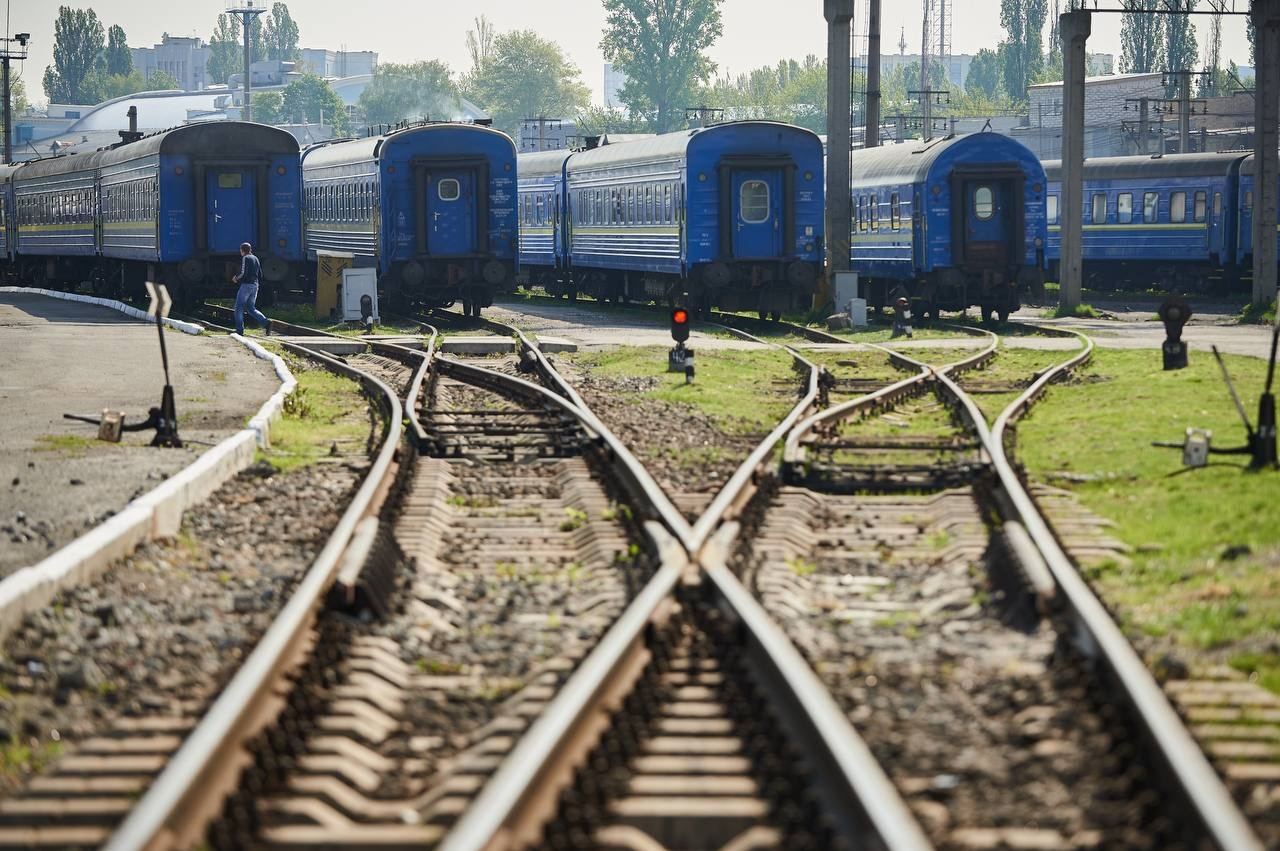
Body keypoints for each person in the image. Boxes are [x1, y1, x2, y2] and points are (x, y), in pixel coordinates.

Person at [232, 242, 272, 336]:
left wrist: (236, 278)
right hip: (255, 285)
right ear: (250, 249)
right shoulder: (256, 258)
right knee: (250, 308)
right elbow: (260, 274)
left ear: (242, 250)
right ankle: (266, 323)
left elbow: (243, 272)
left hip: (246, 285)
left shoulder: (245, 258)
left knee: (238, 308)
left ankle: (239, 330)